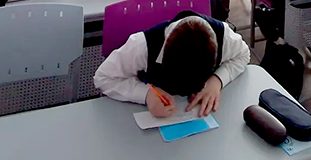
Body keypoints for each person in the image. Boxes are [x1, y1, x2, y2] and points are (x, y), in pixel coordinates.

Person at [94, 12, 250, 118]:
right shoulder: (142, 46)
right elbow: (103, 77)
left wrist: (217, 80)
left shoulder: (226, 39)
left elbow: (243, 55)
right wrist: (146, 95)